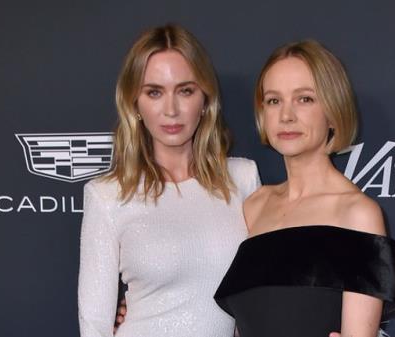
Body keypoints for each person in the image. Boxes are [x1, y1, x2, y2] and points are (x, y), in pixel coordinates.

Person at [77, 24, 260, 337]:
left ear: (205, 101)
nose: (171, 110)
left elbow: (259, 298)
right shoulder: (107, 195)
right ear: (135, 103)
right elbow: (94, 325)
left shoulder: (242, 178)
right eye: (154, 92)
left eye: (185, 90)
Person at [214, 40, 395, 337]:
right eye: (274, 101)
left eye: (305, 99)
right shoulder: (254, 205)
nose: (286, 115)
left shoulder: (358, 214)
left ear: (333, 110)